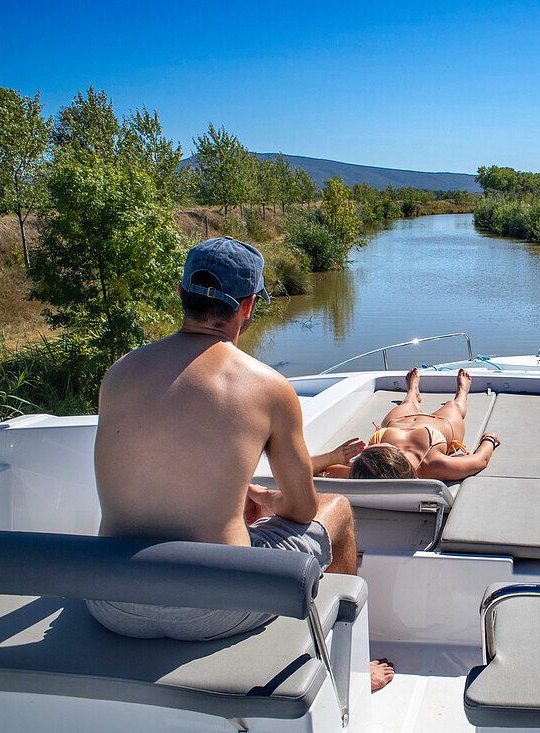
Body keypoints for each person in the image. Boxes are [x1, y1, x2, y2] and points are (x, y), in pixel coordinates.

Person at [86, 237, 393, 692]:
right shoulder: (268, 387)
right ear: (248, 306)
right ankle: (347, 670)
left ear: (181, 293)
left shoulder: (120, 372)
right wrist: (266, 499)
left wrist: (233, 494)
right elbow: (302, 512)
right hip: (217, 606)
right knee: (339, 511)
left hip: (112, 602)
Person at [318, 367, 500, 481]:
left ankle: (413, 392)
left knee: (408, 404)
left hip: (397, 423)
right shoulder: (433, 465)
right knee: (454, 406)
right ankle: (462, 391)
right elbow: (479, 460)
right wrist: (489, 440)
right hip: (440, 425)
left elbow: (312, 470)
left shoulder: (363, 469)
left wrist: (333, 456)